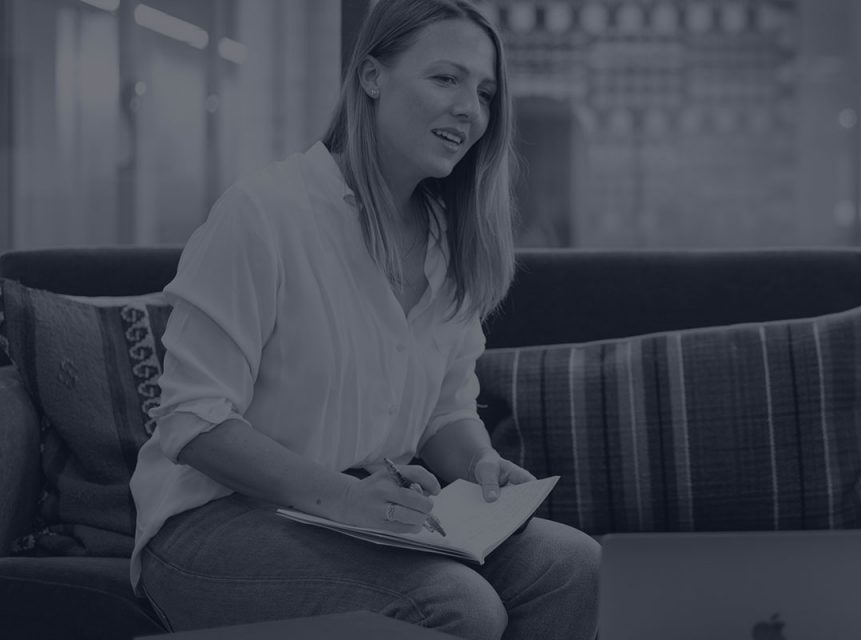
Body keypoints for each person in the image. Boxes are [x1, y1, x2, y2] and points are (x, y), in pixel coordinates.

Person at [127, 1, 599, 638]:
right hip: (214, 522)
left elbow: (444, 412)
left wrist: (481, 465)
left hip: (362, 520)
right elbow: (193, 420)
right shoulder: (264, 214)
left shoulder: (448, 242)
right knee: (459, 606)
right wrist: (346, 498)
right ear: (372, 77)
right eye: (446, 78)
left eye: (485, 93)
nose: (470, 109)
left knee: (572, 565)